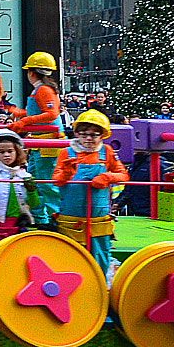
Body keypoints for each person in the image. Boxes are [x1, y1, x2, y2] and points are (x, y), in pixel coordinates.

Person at [54, 109, 128, 282]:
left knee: (101, 256)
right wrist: (66, 174)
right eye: (84, 134)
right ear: (77, 133)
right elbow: (55, 181)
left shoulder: (107, 151)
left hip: (99, 219)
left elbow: (123, 175)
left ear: (102, 135)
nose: (88, 138)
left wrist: (106, 177)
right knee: (68, 257)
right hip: (70, 219)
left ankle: (99, 288)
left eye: (94, 135)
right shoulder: (66, 152)